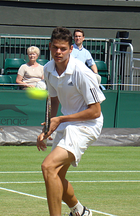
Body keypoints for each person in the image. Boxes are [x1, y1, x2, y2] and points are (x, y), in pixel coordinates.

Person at [37, 27, 106, 216]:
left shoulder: (82, 73)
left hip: (87, 125)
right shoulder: (48, 69)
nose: (58, 52)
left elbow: (95, 111)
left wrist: (60, 119)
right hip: (67, 122)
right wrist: (49, 126)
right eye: (55, 48)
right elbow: (53, 99)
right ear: (50, 46)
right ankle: (80, 211)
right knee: (56, 175)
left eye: (63, 48)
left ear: (71, 49)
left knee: (48, 166)